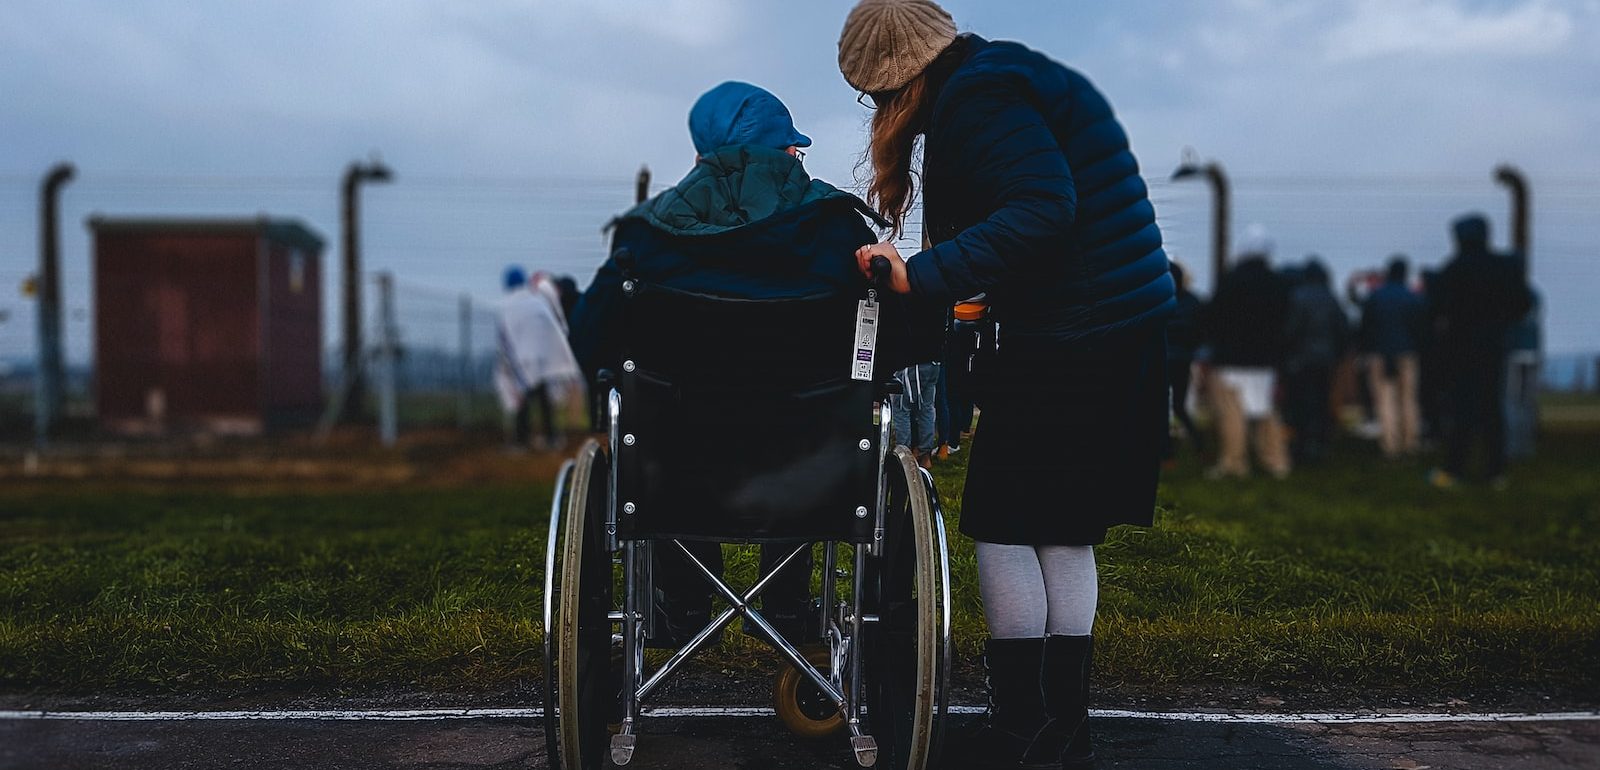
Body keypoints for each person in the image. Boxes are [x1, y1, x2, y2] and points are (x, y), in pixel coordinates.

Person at [837, 2, 1176, 766]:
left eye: (879, 95)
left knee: (1001, 518)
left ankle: (1023, 724)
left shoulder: (981, 100)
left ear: (904, 80)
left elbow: (1043, 207)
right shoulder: (1003, 74)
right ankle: (1062, 727)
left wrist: (918, 275)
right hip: (1111, 325)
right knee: (1058, 524)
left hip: (1077, 330)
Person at [568, 81, 936, 646]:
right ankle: (787, 607)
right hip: (810, 471)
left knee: (671, 434)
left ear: (701, 156)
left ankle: (685, 603)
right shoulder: (838, 230)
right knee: (803, 429)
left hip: (673, 471)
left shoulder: (645, 237)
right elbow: (902, 342)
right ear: (787, 153)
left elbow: (590, 340)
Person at [1427, 214, 1533, 488]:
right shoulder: (1504, 268)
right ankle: (1495, 471)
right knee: (1492, 408)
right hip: (1495, 346)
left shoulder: (1454, 268)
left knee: (1461, 409)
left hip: (1459, 348)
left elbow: (1436, 308)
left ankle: (1455, 469)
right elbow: (1523, 303)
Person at [1203, 226, 1292, 480]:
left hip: (1231, 359)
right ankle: (1276, 461)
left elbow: (1214, 317)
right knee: (1266, 411)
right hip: (1265, 359)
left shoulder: (1230, 280)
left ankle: (1234, 463)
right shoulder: (1278, 283)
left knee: (1232, 413)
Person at [496, 266, 581, 451]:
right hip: (542, 359)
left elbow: (504, 337)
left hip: (521, 360)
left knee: (523, 403)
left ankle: (521, 441)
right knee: (544, 400)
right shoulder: (536, 301)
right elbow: (555, 328)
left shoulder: (505, 306)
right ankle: (552, 439)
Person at [1282, 258, 1349, 465]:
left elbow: (1290, 330)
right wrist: (1338, 354)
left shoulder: (1297, 296)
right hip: (1326, 360)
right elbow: (1343, 330)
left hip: (1300, 360)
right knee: (1321, 402)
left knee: (1301, 403)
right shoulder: (1332, 298)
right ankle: (1320, 444)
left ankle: (1301, 446)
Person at [1359, 256, 1426, 458]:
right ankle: (1410, 442)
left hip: (1380, 353)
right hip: (1407, 353)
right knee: (1409, 399)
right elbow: (1420, 328)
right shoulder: (1413, 297)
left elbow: (1366, 326)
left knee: (1386, 400)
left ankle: (1391, 445)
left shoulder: (1375, 296)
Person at [1164, 262, 1205, 459]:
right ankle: (1199, 444)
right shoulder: (1193, 302)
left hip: (1162, 359)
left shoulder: (1158, 299)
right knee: (1179, 405)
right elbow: (1200, 331)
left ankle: (1167, 451)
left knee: (1159, 406)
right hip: (1183, 359)